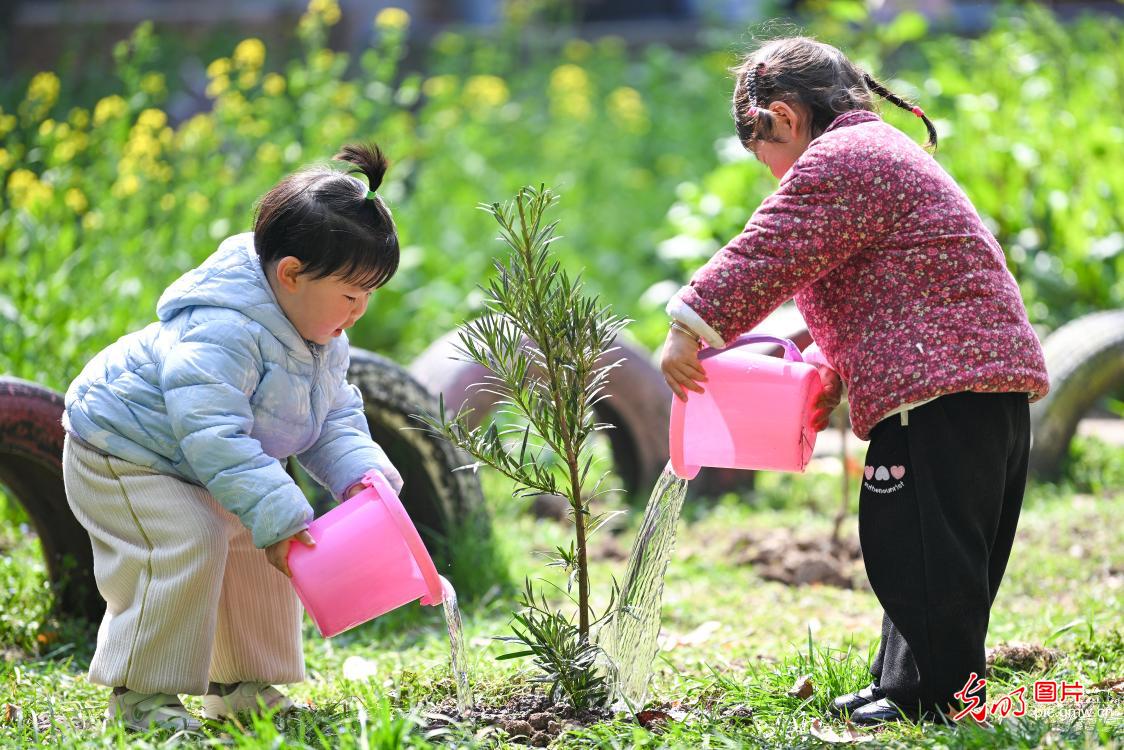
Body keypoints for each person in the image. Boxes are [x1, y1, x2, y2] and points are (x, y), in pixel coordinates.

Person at [660, 37, 1049, 724]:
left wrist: (689, 325)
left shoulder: (841, 160)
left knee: (919, 545)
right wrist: (827, 357)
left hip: (945, 389)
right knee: (921, 543)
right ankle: (903, 682)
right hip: (968, 388)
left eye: (763, 155)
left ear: (782, 118)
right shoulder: (876, 153)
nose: (770, 175)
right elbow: (872, 284)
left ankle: (938, 700)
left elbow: (769, 250)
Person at [62, 143, 405, 731]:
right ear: (291, 274)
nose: (360, 312)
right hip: (123, 453)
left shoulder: (323, 335)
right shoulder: (222, 327)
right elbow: (211, 431)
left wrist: (360, 477)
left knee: (263, 542)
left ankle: (243, 685)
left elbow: (333, 417)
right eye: (351, 294)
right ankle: (140, 697)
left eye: (370, 295)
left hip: (198, 460)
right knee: (186, 540)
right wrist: (277, 507)